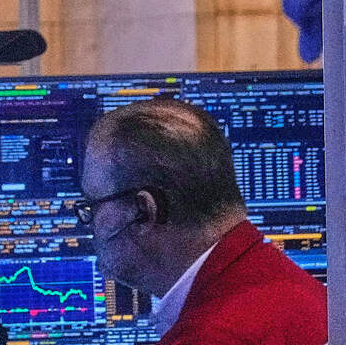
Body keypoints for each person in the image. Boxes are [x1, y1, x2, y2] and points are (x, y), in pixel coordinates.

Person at [79, 98, 328, 345]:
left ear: (144, 211)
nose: (89, 221)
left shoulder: (210, 336)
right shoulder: (296, 290)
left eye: (93, 205)